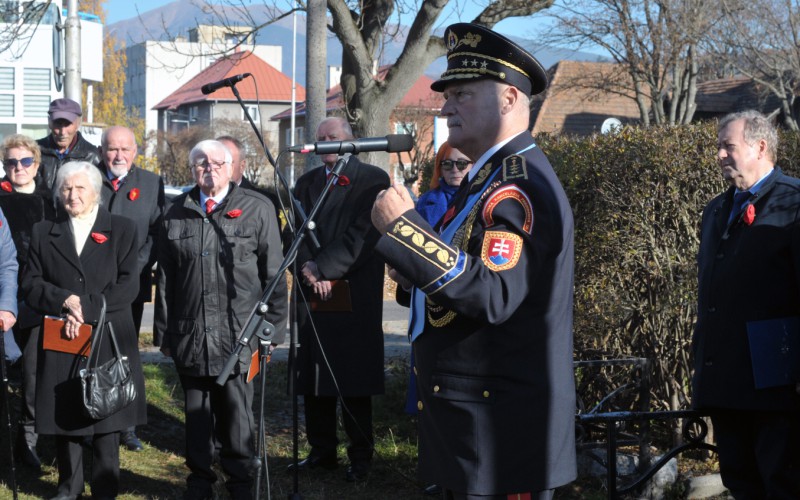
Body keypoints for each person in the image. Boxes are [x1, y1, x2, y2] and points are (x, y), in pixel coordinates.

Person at [371, 23, 577, 499]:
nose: (445, 107)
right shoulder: (487, 176)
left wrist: (405, 230)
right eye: (448, 95)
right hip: (474, 424)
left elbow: (493, 293)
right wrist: (410, 273)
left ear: (508, 99)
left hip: (499, 433)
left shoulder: (519, 184)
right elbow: (462, 272)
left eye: (461, 94)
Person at [154, 139, 288, 500]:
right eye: (200, 163)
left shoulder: (257, 208)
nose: (208, 168)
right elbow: (165, 279)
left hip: (240, 336)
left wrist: (273, 331)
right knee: (197, 417)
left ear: (231, 168)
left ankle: (241, 484)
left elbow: (273, 275)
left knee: (237, 415)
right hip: (190, 334)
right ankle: (199, 483)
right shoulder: (173, 212)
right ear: (192, 170)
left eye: (216, 162)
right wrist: (165, 335)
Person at [21, 161, 146, 500]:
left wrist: (86, 307)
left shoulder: (121, 228)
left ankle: (105, 488)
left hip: (108, 331)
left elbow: (129, 284)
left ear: (96, 192)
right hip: (64, 333)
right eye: (66, 188)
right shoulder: (43, 230)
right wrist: (65, 301)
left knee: (106, 414)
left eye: (80, 188)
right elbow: (31, 284)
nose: (72, 195)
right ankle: (69, 486)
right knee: (67, 414)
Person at [693, 110, 800, 499]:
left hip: (777, 385)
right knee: (740, 484)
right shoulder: (715, 211)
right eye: (719, 146)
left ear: (759, 146)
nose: (720, 154)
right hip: (725, 380)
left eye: (728, 146)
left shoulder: (794, 204)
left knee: (783, 486)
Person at [288, 116, 390, 482]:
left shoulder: (373, 181)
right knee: (314, 378)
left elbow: (365, 233)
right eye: (320, 139)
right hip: (311, 294)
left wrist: (327, 268)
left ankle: (360, 456)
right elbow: (293, 234)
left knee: (352, 380)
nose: (326, 144)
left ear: (350, 141)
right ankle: (322, 451)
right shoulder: (305, 183)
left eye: (333, 137)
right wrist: (306, 269)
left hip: (353, 292)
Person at [97, 125, 165, 452]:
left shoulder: (152, 184)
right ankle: (94, 417)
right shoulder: (88, 178)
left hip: (132, 286)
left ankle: (125, 426)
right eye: (112, 149)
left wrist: (131, 272)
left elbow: (156, 234)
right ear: (101, 151)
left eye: (125, 149)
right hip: (91, 286)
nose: (119, 155)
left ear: (135, 152)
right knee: (92, 352)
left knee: (126, 352)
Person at [0, 134, 57, 470]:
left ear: (36, 163)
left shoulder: (52, 201)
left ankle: (29, 441)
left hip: (39, 295)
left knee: (35, 374)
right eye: (11, 162)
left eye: (25, 161)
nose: (18, 168)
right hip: (4, 294)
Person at [36, 98, 101, 192]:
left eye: (67, 124)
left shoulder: (92, 155)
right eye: (57, 124)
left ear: (78, 123)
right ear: (49, 122)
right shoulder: (34, 151)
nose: (62, 132)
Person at [415, 142, 473, 226]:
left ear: (473, 165)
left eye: (461, 163)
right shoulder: (425, 201)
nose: (455, 169)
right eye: (447, 164)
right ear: (440, 169)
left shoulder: (481, 196)